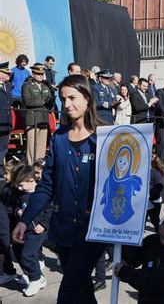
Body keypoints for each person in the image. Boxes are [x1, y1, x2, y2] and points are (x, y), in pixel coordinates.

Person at [12, 75, 106, 303]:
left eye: (72, 98)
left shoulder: (105, 136)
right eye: (63, 99)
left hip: (92, 230)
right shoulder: (59, 137)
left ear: (87, 98)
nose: (66, 105)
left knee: (67, 293)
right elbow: (46, 185)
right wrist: (25, 221)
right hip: (63, 229)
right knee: (82, 290)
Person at [11, 165, 52, 296]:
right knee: (20, 252)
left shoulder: (42, 193)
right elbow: (16, 206)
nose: (19, 188)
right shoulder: (21, 194)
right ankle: (32, 275)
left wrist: (43, 224)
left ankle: (37, 279)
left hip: (37, 230)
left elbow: (49, 210)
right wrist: (18, 211)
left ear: (31, 180)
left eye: (21, 184)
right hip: (25, 229)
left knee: (27, 254)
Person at [22, 63, 55, 164]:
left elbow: (49, 103)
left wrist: (51, 100)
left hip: (44, 118)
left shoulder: (45, 86)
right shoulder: (27, 86)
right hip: (33, 119)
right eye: (38, 73)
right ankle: (31, 166)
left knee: (41, 145)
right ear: (33, 74)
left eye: (42, 73)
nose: (40, 76)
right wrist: (44, 101)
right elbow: (28, 102)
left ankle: (39, 166)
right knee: (32, 145)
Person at [0, 62, 12, 175]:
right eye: (6, 72)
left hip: (6, 122)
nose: (9, 74)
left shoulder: (8, 86)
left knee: (4, 147)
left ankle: (0, 169)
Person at [147, 156, 164, 232]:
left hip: (154, 201)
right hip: (145, 200)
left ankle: (158, 232)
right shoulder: (143, 172)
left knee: (154, 219)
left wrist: (151, 193)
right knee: (142, 219)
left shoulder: (155, 173)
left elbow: (160, 185)